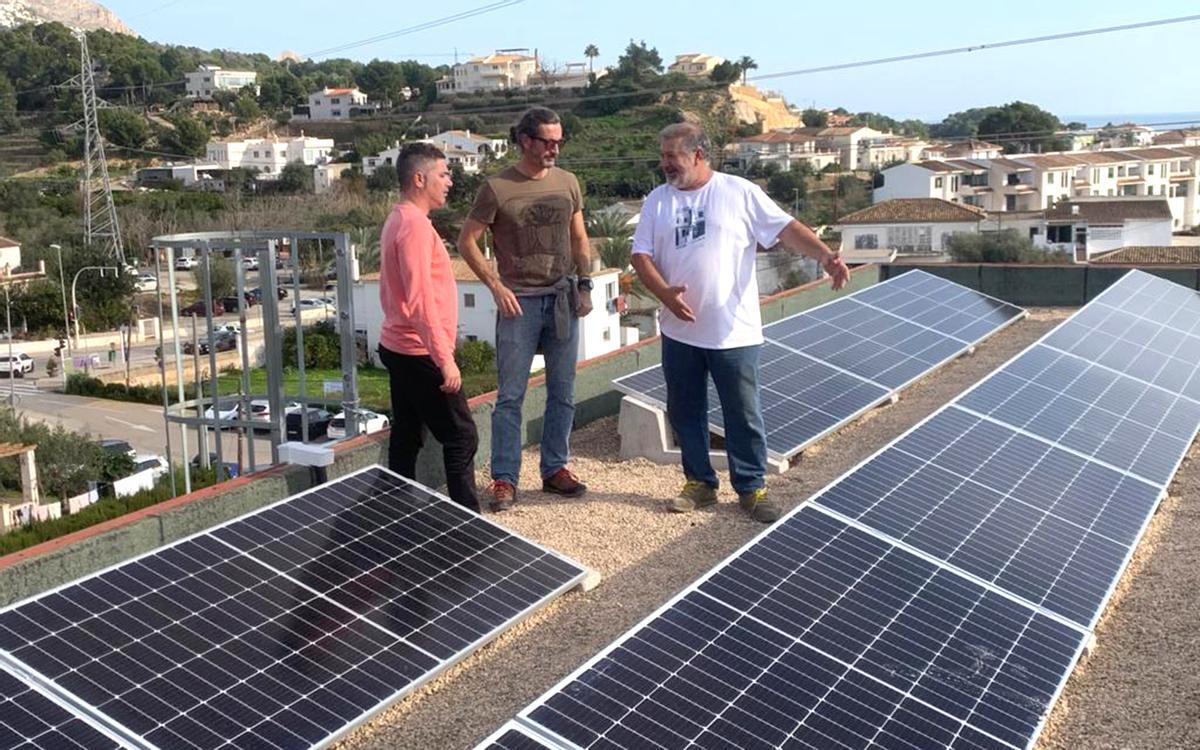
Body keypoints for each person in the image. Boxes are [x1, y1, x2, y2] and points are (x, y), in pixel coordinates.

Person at [630, 122, 850, 523]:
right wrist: (664, 294)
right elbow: (640, 257)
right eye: (662, 156)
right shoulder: (657, 201)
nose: (664, 165)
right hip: (680, 332)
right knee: (685, 411)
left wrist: (825, 256)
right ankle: (699, 484)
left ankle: (751, 487)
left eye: (672, 156)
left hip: (734, 332)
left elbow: (786, 230)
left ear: (698, 154)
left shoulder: (738, 192)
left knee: (742, 412)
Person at [458, 107, 593, 512]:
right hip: (520, 302)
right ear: (526, 141)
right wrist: (495, 286)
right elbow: (467, 241)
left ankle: (555, 469)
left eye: (559, 141)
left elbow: (580, 238)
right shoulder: (497, 187)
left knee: (564, 392)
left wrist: (584, 285)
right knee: (511, 396)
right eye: (548, 141)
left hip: (562, 298)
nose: (555, 149)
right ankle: (504, 477)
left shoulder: (567, 182)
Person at [378, 142, 480, 511]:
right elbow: (420, 300)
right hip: (418, 351)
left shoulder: (398, 218)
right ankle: (469, 525)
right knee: (462, 437)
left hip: (398, 346)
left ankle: (395, 511)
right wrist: (444, 359)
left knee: (408, 434)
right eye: (443, 174)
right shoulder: (415, 227)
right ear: (419, 179)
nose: (449, 181)